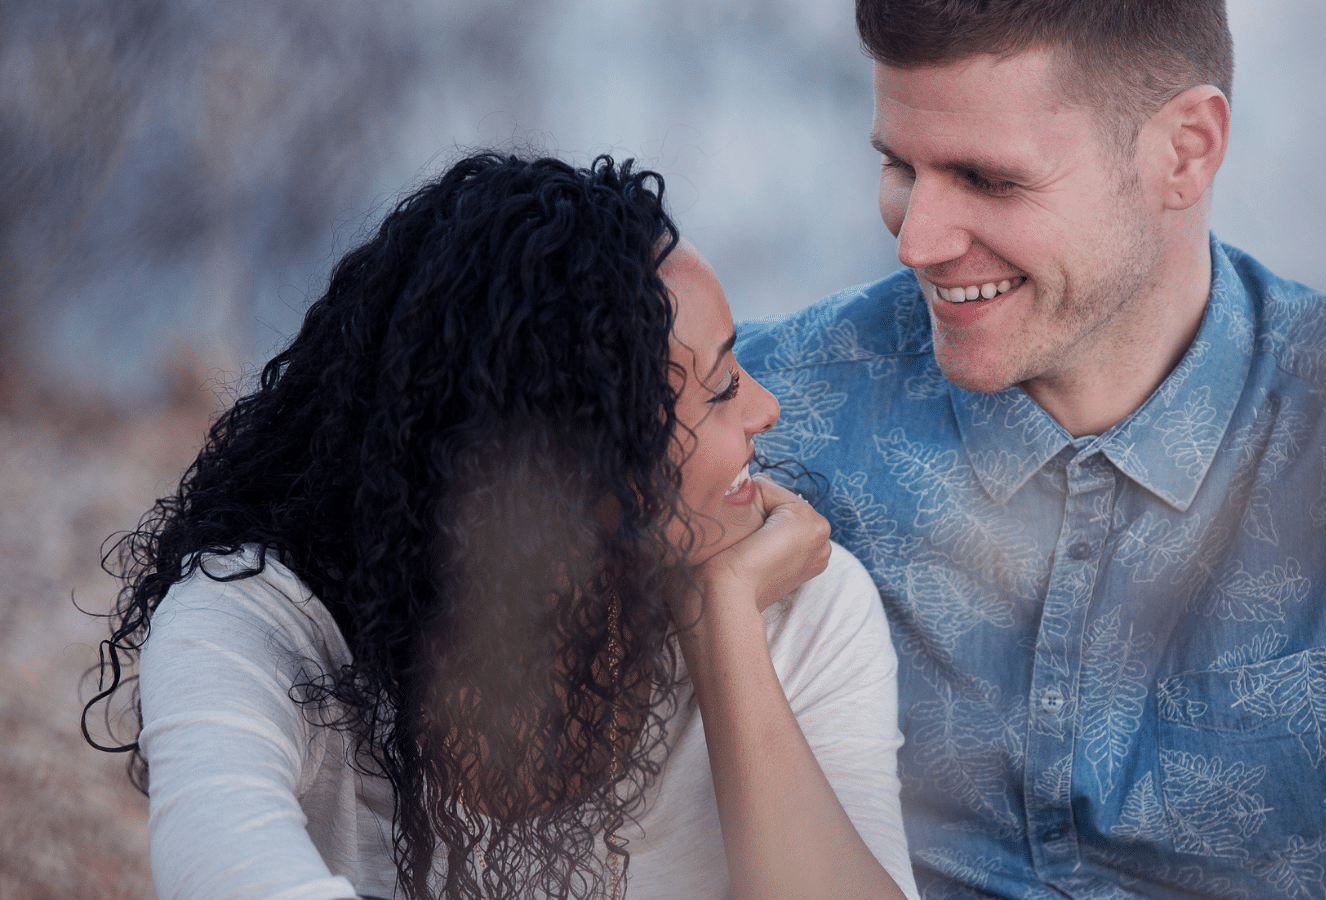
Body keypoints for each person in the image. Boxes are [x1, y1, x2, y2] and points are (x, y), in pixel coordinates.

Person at [735, 2, 1326, 898]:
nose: (919, 241)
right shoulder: (769, 409)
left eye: (987, 180)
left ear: (1185, 151)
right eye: (899, 167)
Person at [82, 153, 918, 900]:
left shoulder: (800, 606)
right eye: (719, 389)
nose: (766, 409)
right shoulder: (247, 627)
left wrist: (726, 624)